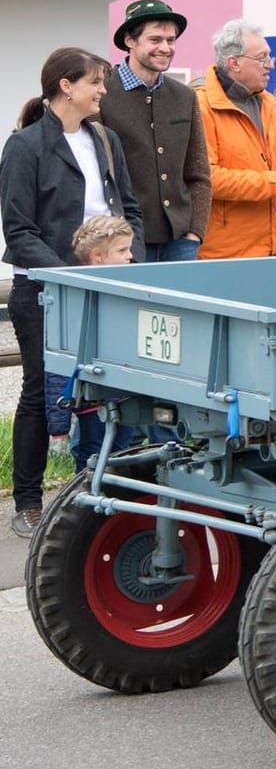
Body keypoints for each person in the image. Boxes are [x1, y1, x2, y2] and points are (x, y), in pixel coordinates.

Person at [3, 47, 143, 539]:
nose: (104, 90)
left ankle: (102, 486)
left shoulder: (104, 139)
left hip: (105, 288)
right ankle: (28, 501)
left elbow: (128, 208)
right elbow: (19, 232)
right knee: (42, 392)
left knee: (110, 388)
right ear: (66, 85)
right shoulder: (24, 147)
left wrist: (132, 264)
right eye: (95, 82)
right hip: (44, 290)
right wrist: (69, 275)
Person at [197, 20, 276, 259]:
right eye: (262, 58)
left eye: (270, 57)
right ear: (234, 63)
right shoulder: (201, 106)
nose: (271, 65)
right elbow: (209, 178)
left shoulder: (271, 104)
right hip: (226, 253)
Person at [100, 0, 211, 262]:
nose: (165, 48)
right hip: (125, 241)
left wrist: (195, 231)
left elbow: (199, 173)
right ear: (130, 41)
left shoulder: (185, 96)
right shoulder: (103, 93)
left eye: (170, 40)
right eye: (155, 40)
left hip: (181, 240)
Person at [53, 215, 141, 472]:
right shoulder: (76, 296)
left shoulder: (130, 289)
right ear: (98, 256)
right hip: (93, 398)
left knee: (122, 449)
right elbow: (62, 362)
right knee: (92, 451)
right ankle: (87, 500)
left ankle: (117, 501)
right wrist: (59, 421)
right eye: (122, 250)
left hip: (126, 393)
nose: (130, 256)